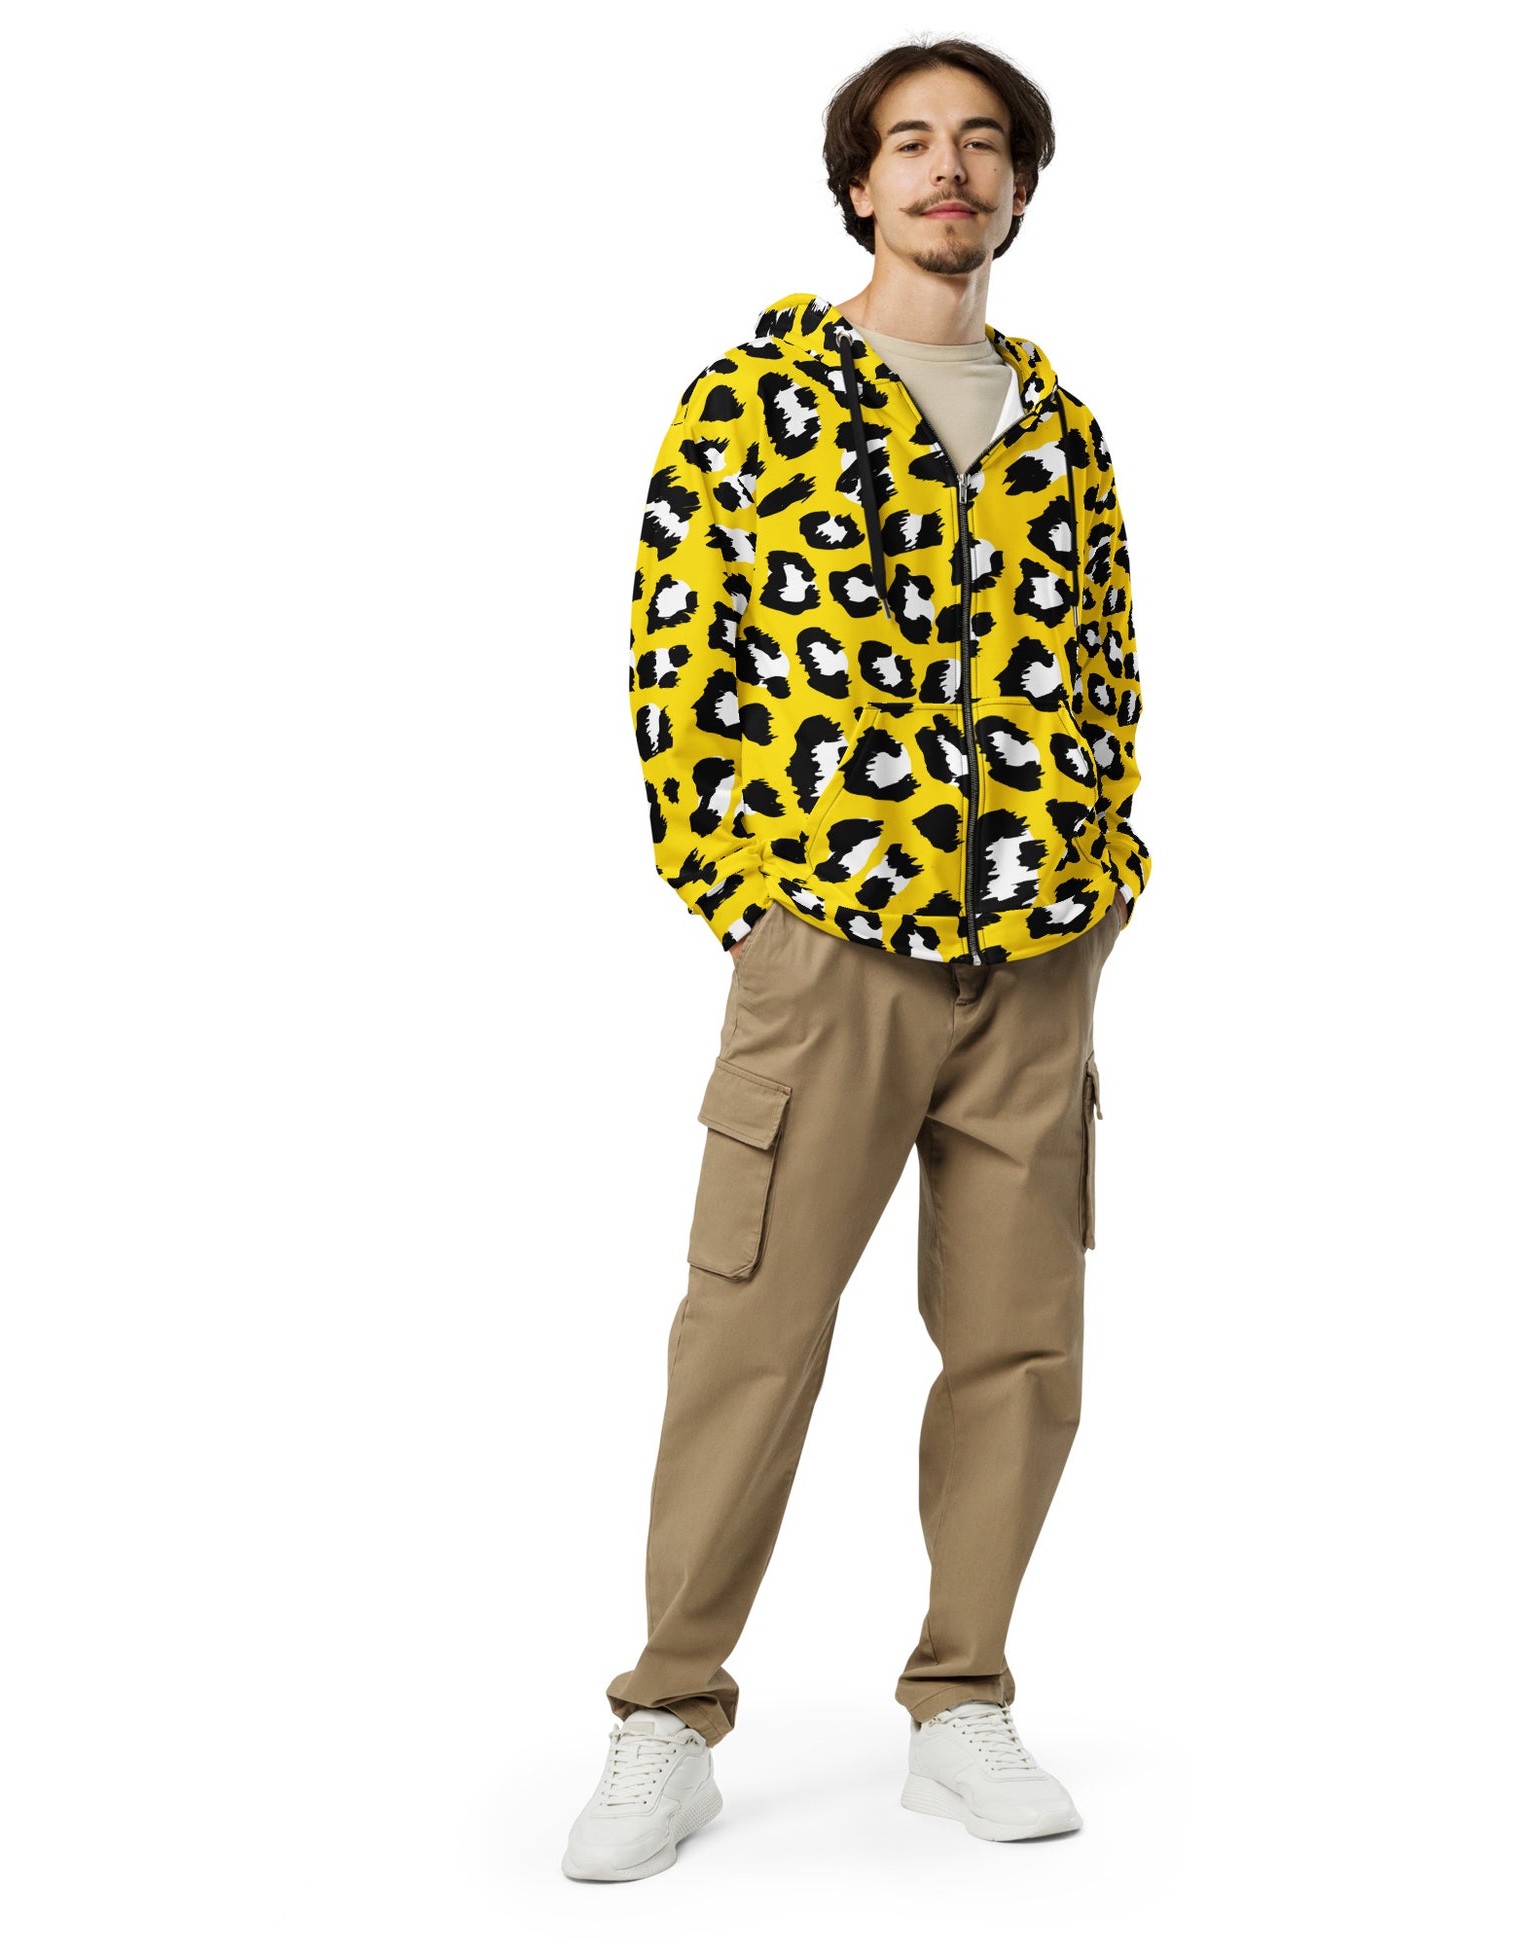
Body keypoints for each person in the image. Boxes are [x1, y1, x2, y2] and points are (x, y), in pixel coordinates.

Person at [565, 34, 1153, 1881]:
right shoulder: (753, 399)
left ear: (1019, 188)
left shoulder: (1061, 428)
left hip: (1037, 956)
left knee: (1019, 1341)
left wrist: (1103, 878)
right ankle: (667, 1714)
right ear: (857, 185)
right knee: (750, 1330)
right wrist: (751, 901)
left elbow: (1110, 668)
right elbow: (677, 664)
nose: (946, 170)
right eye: (910, 143)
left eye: (980, 144)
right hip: (830, 949)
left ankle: (960, 1696)